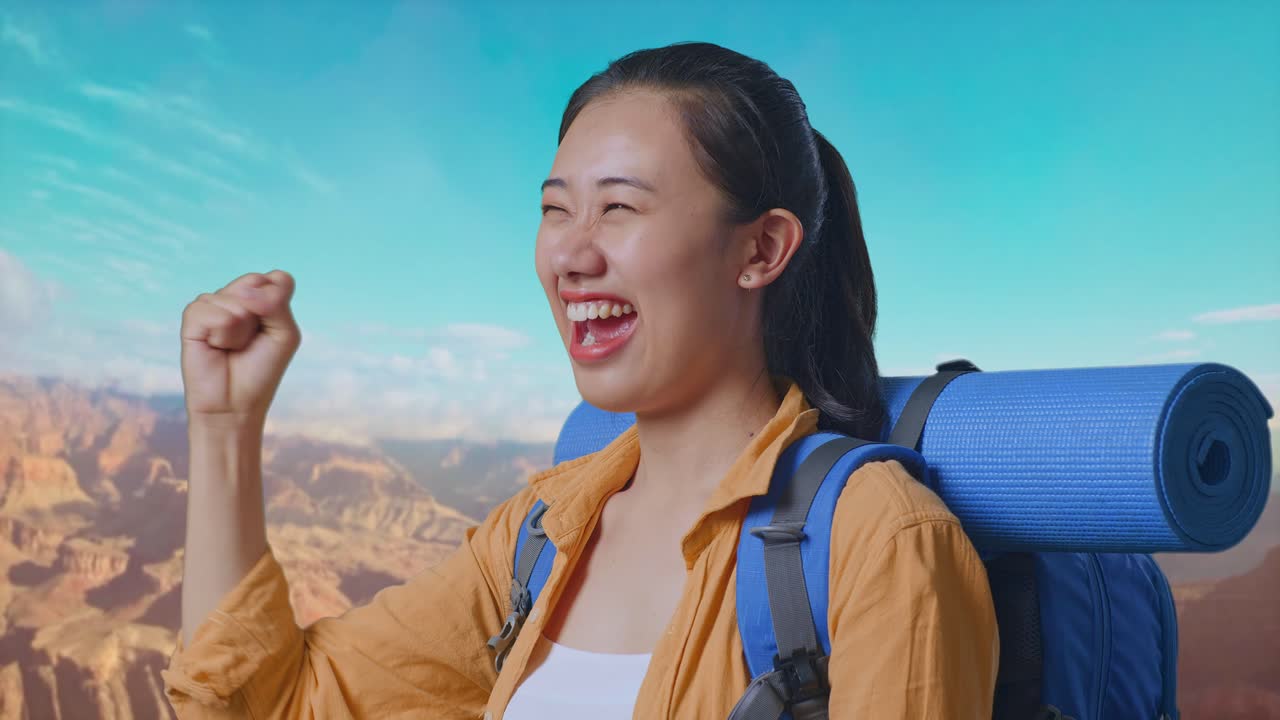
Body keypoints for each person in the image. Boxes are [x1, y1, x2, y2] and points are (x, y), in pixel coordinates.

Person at [162, 41, 998, 719]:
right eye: (555, 209)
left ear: (760, 249)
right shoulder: (538, 538)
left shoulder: (879, 543)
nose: (569, 253)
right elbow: (274, 705)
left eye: (618, 208)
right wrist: (225, 424)